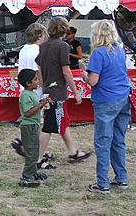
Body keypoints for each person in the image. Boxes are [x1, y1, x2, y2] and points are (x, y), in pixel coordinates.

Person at [82, 20, 131, 195]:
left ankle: (102, 183)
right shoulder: (120, 50)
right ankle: (121, 177)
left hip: (106, 100)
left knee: (103, 141)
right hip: (123, 97)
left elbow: (93, 81)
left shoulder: (98, 53)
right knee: (118, 139)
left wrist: (84, 76)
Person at [38, 17, 91, 164]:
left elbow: (39, 70)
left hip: (49, 91)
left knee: (61, 121)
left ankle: (73, 152)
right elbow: (66, 71)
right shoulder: (62, 47)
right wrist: (76, 91)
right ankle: (37, 159)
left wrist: (44, 87)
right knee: (49, 126)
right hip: (58, 93)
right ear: (63, 29)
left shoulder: (43, 46)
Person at [12, 23, 56, 170]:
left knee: (30, 121)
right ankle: (35, 153)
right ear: (39, 36)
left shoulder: (24, 49)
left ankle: (30, 147)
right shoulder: (39, 50)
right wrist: (46, 89)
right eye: (44, 35)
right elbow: (40, 71)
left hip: (25, 89)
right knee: (38, 123)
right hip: (36, 90)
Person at [17, 69, 52, 187]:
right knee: (31, 153)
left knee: (35, 151)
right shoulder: (25, 95)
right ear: (28, 83)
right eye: (35, 79)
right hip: (29, 127)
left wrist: (43, 104)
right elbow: (27, 113)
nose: (38, 81)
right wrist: (41, 104)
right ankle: (26, 177)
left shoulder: (32, 93)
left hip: (34, 126)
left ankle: (33, 173)